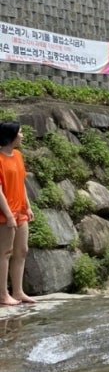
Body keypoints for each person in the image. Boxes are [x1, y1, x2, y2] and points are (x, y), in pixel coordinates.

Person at [0, 122, 36, 306]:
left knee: (21, 251)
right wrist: (9, 215)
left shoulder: (18, 156)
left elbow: (21, 183)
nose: (22, 135)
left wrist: (27, 206)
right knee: (5, 252)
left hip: (20, 211)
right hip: (4, 214)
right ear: (10, 136)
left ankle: (18, 291)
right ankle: (3, 295)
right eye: (20, 132)